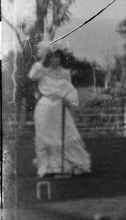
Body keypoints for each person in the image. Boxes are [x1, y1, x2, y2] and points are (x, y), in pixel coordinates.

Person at [28, 46, 92, 178]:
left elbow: (69, 90)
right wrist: (42, 61)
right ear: (48, 59)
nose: (55, 60)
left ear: (61, 59)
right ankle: (47, 167)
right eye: (52, 57)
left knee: (66, 135)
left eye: (57, 57)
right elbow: (32, 76)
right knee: (44, 136)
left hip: (60, 107)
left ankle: (70, 165)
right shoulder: (42, 71)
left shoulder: (65, 73)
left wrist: (68, 101)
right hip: (45, 107)